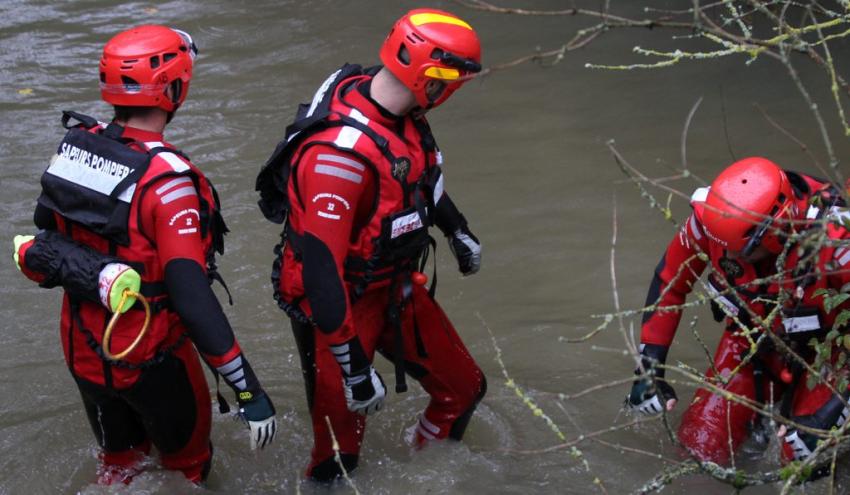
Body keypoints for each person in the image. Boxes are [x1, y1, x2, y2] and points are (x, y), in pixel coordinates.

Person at [12, 25, 276, 485]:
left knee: (119, 466)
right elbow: (192, 297)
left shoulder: (76, 148)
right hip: (151, 358)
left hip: (83, 348)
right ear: (173, 89)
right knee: (188, 469)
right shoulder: (169, 182)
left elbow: (45, 225)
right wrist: (247, 389)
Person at [256, 8, 486, 481]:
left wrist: (456, 229)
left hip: (393, 283)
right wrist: (354, 367)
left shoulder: (396, 109)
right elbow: (321, 271)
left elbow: (418, 177)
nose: (453, 93)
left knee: (465, 389)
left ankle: (428, 474)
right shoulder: (338, 157)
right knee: (338, 457)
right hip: (338, 304)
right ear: (430, 78)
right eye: (452, 82)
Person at [625, 156, 846, 465]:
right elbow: (670, 282)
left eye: (738, 250)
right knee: (698, 446)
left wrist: (830, 414)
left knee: (804, 459)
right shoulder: (710, 223)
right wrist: (649, 367)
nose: (726, 257)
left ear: (774, 232)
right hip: (753, 338)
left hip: (836, 351)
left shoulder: (837, 242)